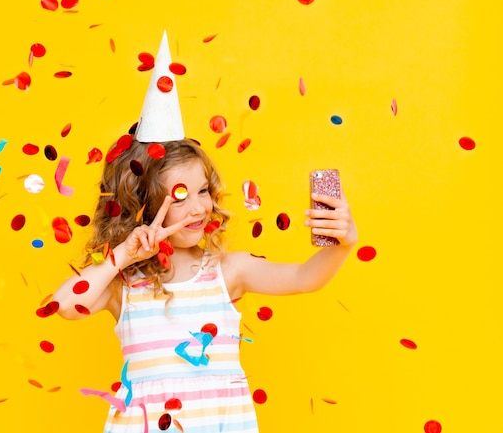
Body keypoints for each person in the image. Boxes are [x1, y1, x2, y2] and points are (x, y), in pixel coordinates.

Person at [51, 33, 357, 433]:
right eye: (179, 197)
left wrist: (342, 244)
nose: (198, 207)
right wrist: (122, 256)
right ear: (141, 206)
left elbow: (304, 277)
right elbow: (64, 306)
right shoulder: (123, 284)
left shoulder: (227, 271)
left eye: (203, 191)